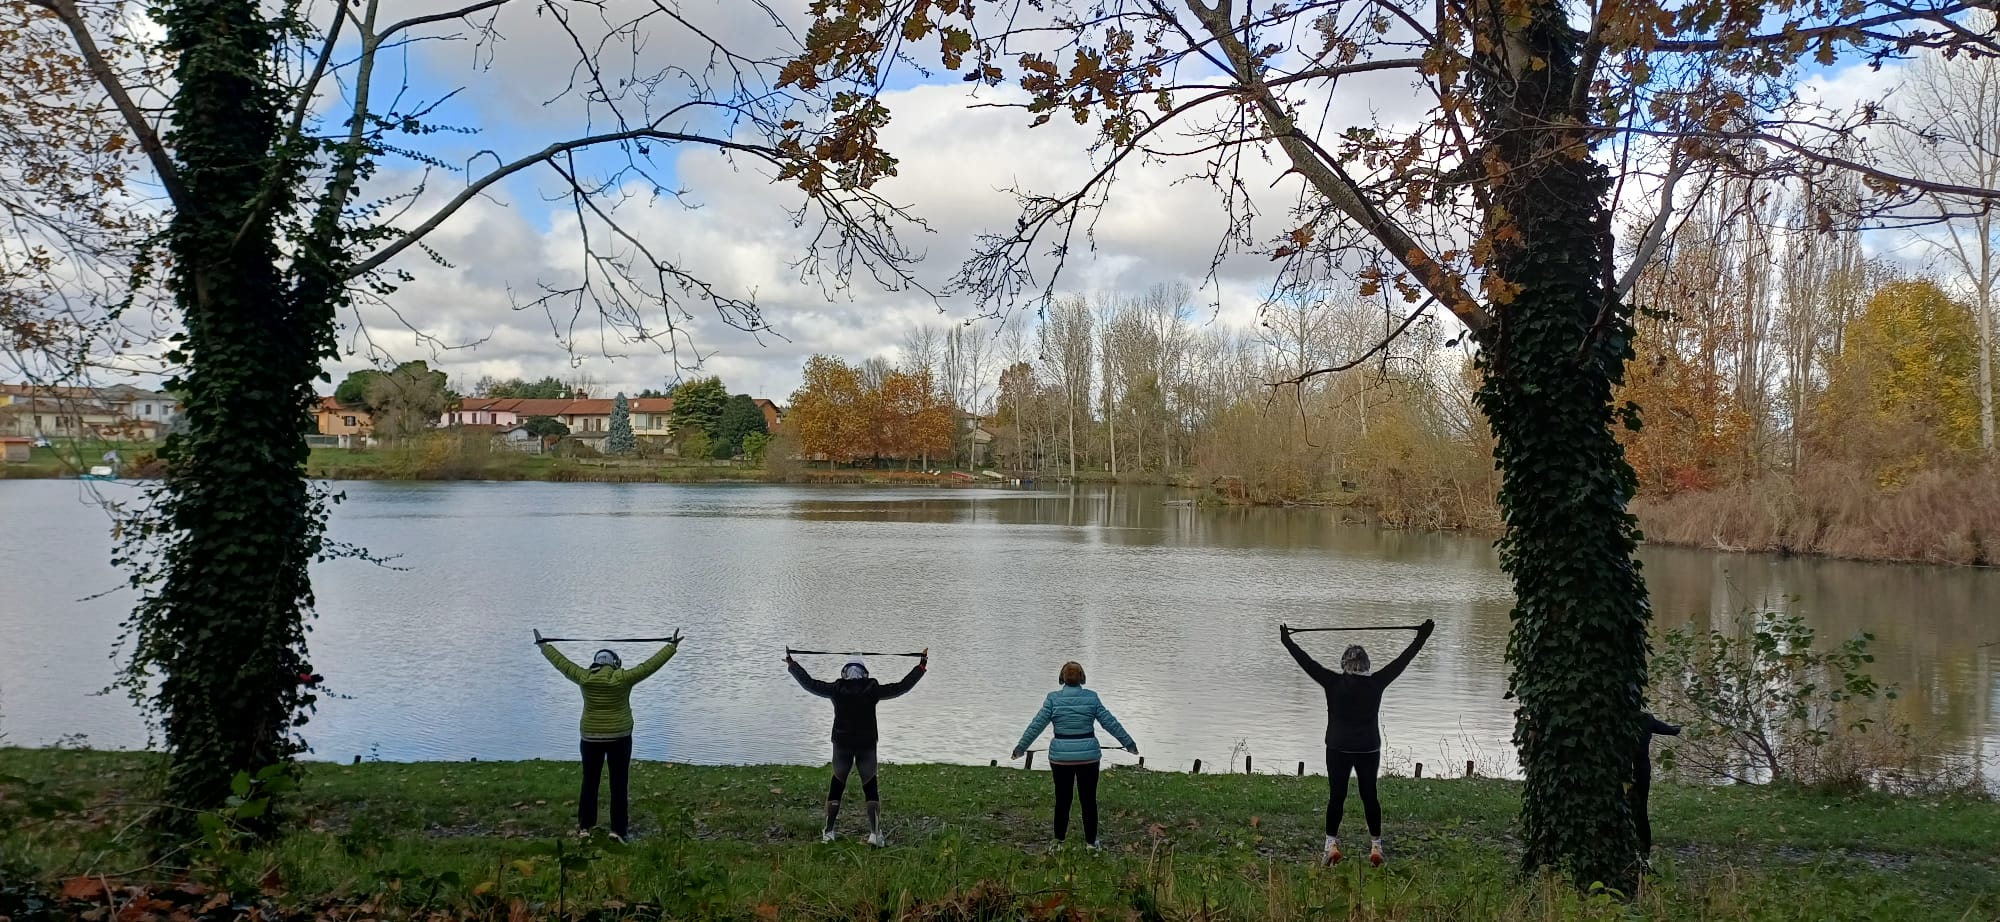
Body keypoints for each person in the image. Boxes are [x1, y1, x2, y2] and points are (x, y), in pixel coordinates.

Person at [1280, 619, 1434, 867]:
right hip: (1368, 748)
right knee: (1369, 795)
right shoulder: (1377, 683)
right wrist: (1422, 637)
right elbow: (1403, 661)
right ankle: (1376, 847)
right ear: (1367, 665)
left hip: (1338, 747)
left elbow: (1307, 663)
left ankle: (1330, 846)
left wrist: (1288, 642)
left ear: (1344, 665)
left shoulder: (1333, 682)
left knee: (1336, 797)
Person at [535, 628, 681, 840]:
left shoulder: (584, 677)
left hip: (590, 737)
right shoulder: (624, 678)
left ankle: (585, 828)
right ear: (615, 663)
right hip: (619, 737)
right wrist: (671, 647)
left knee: (590, 782)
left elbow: (562, 663)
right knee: (619, 784)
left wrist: (543, 646)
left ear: (595, 663)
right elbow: (649, 666)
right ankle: (618, 832)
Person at [786, 649, 928, 847]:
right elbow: (901, 687)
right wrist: (920, 668)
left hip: (842, 745)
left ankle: (828, 832)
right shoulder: (872, 689)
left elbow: (810, 684)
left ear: (845, 672)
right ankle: (875, 834)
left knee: (837, 785)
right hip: (866, 745)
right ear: (864, 673)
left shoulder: (837, 689)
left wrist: (792, 665)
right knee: (871, 787)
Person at [1011, 661, 1138, 850]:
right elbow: (1110, 723)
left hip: (1060, 759)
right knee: (1088, 800)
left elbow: (1036, 725)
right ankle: (1091, 843)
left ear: (1062, 678)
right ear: (1082, 678)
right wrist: (1129, 743)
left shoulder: (1053, 699)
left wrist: (1020, 748)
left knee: (1063, 799)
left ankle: (1058, 841)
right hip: (1088, 759)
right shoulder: (1091, 698)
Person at [1633, 711, 1682, 861]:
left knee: (1629, 810)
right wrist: (1678, 727)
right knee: (1641, 811)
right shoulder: (1646, 719)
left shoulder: (1617, 719)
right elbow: (1671, 730)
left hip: (1623, 771)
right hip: (1641, 770)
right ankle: (1644, 851)